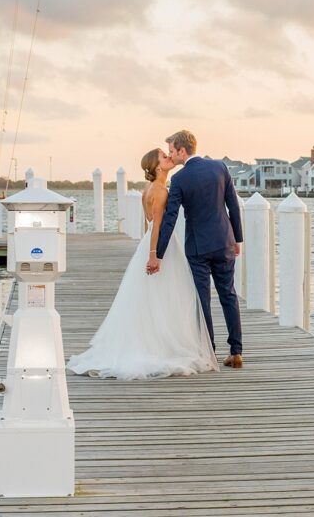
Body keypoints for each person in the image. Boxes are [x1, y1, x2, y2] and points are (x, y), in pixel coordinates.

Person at [66, 148, 217, 379]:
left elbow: (148, 225)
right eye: (164, 157)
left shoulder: (148, 188)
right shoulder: (159, 190)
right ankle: (161, 346)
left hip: (151, 243)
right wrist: (154, 255)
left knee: (154, 297)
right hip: (158, 246)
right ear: (158, 167)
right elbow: (156, 225)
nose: (169, 158)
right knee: (167, 295)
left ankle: (157, 340)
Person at [149, 130, 245, 368]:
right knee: (228, 295)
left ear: (182, 150)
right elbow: (233, 205)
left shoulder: (180, 179)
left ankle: (208, 352)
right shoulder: (219, 167)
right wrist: (238, 239)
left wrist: (158, 254)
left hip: (198, 247)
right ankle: (236, 352)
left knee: (202, 300)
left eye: (172, 151)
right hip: (225, 241)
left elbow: (170, 219)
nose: (171, 155)